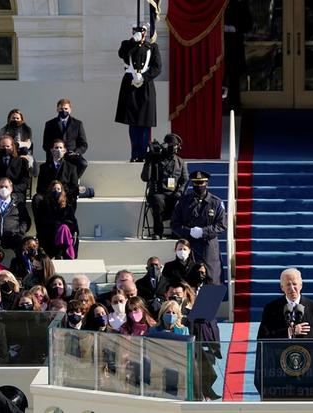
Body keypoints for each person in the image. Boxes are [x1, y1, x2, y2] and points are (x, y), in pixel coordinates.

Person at [115, 24, 162, 162]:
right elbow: (122, 55)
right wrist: (132, 42)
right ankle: (135, 154)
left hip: (145, 85)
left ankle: (144, 153)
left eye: (142, 31)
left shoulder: (152, 47)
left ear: (146, 33)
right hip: (130, 84)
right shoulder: (127, 44)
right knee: (133, 122)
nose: (139, 33)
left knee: (145, 121)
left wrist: (144, 78)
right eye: (136, 31)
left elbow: (157, 67)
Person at [171, 171, 227, 283]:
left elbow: (221, 225)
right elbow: (174, 224)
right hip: (189, 244)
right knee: (188, 279)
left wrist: (203, 231)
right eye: (196, 183)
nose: (199, 186)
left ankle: (210, 300)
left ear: (206, 183)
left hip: (208, 246)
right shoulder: (183, 202)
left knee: (212, 278)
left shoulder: (216, 202)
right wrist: (188, 231)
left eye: (201, 183)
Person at [141, 133, 188, 240]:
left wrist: (179, 192)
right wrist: (148, 161)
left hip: (173, 193)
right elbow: (144, 177)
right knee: (158, 201)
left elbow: (185, 180)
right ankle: (158, 232)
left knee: (180, 202)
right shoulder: (156, 159)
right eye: (170, 146)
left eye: (174, 146)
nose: (172, 148)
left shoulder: (180, 162)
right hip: (158, 192)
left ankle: (176, 231)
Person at [257, 268, 313, 339]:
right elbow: (262, 337)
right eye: (288, 284)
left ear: (301, 285)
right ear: (282, 287)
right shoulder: (271, 308)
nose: (292, 288)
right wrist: (289, 332)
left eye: (294, 284)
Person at [42, 98, 88, 178]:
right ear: (57, 109)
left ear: (70, 110)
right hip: (55, 155)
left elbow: (83, 144)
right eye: (61, 109)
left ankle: (73, 181)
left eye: (66, 109)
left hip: (72, 155)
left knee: (83, 163)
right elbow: (45, 144)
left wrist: (76, 152)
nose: (64, 111)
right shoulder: (50, 124)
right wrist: (55, 151)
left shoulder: (78, 124)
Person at [34, 180, 78, 259]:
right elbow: (42, 221)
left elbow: (72, 222)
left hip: (64, 232)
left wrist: (61, 225)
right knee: (62, 229)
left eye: (58, 189)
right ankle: (63, 254)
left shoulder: (67, 206)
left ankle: (60, 253)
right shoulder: (44, 205)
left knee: (64, 228)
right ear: (50, 190)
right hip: (50, 233)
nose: (56, 191)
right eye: (54, 189)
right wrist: (56, 224)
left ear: (62, 191)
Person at [34, 139, 79, 213]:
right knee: (37, 198)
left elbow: (74, 188)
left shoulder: (71, 168)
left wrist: (62, 194)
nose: (59, 150)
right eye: (56, 148)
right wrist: (51, 193)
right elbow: (40, 188)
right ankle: (41, 224)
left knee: (72, 199)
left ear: (65, 150)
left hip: (64, 196)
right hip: (48, 196)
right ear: (51, 150)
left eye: (61, 148)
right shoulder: (44, 167)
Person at [223, 0, 252, 110]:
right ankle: (222, 103)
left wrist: (234, 28)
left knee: (234, 77)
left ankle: (234, 104)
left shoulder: (240, 4)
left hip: (234, 47)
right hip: (221, 47)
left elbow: (248, 24)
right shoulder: (217, 5)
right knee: (222, 76)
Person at [0, 178, 30, 252]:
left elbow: (26, 221)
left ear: (11, 188)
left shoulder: (19, 204)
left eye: (6, 187)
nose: (3, 189)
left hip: (14, 238)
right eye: (1, 186)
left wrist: (19, 231)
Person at [0, 135, 29, 202]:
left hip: (15, 192)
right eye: (3, 146)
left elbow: (24, 184)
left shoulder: (21, 162)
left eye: (8, 146)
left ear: (12, 147)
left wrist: (10, 188)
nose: (5, 148)